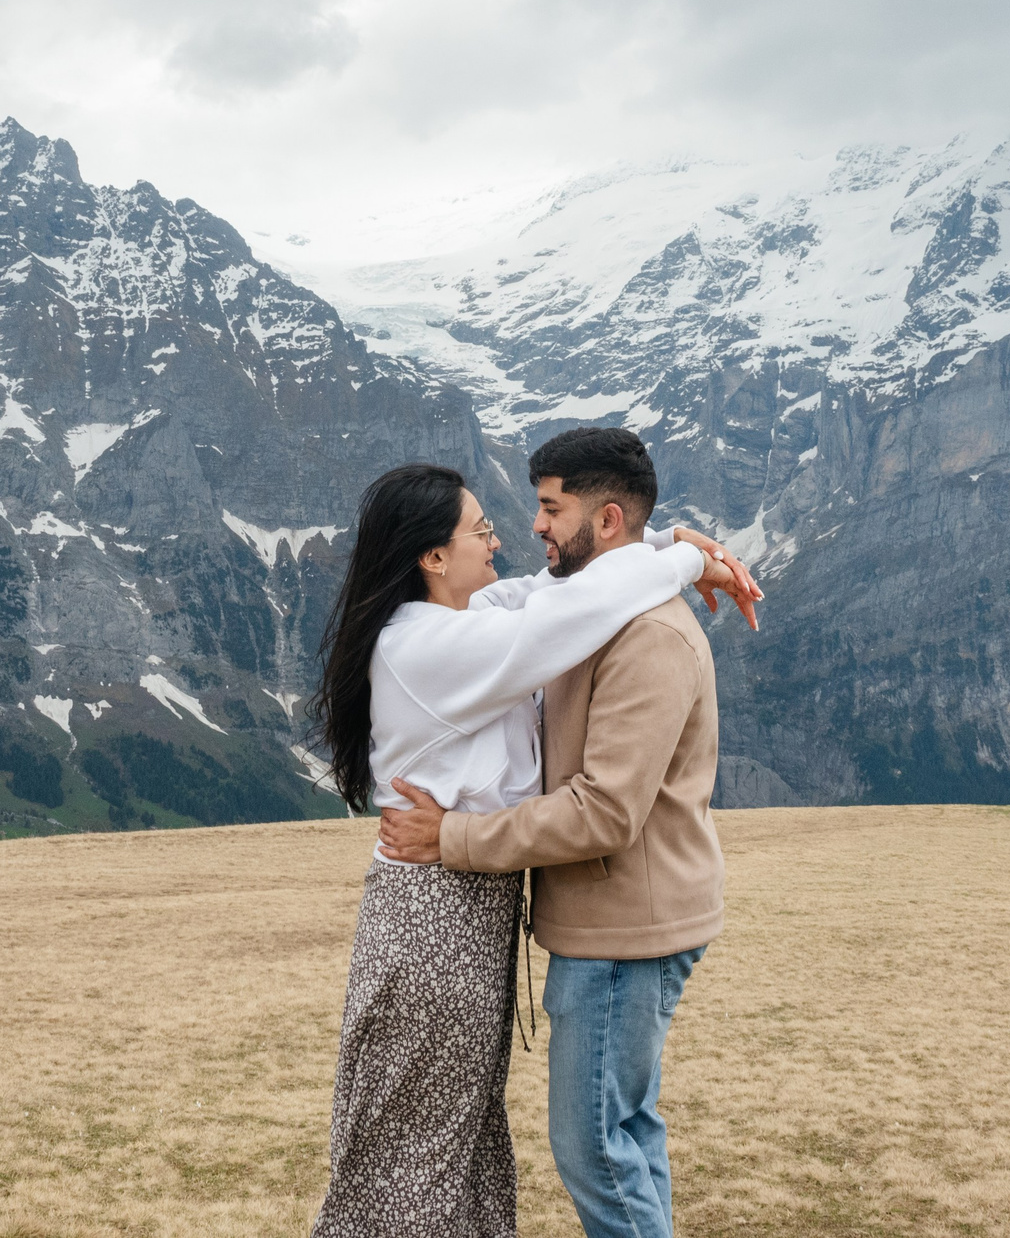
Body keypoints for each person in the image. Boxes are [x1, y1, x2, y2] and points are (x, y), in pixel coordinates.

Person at [308, 460, 758, 1238]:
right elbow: (559, 616)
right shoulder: (428, 646)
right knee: (419, 1147)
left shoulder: (459, 617)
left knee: (455, 1137)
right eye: (480, 529)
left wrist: (664, 543)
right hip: (437, 916)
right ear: (433, 556)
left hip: (461, 909)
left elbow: (549, 592)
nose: (501, 539)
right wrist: (687, 558)